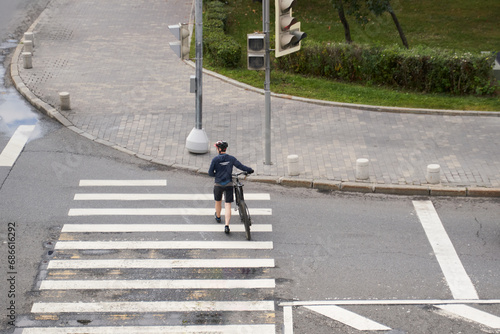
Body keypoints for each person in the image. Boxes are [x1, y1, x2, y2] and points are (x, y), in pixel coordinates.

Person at [208, 140, 254, 234]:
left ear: (219, 149)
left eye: (217, 148)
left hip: (218, 184)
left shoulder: (215, 160)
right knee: (228, 204)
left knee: (218, 201)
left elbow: (210, 173)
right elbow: (241, 166)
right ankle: (227, 226)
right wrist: (250, 170)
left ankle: (218, 216)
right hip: (229, 184)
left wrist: (217, 176)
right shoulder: (231, 158)